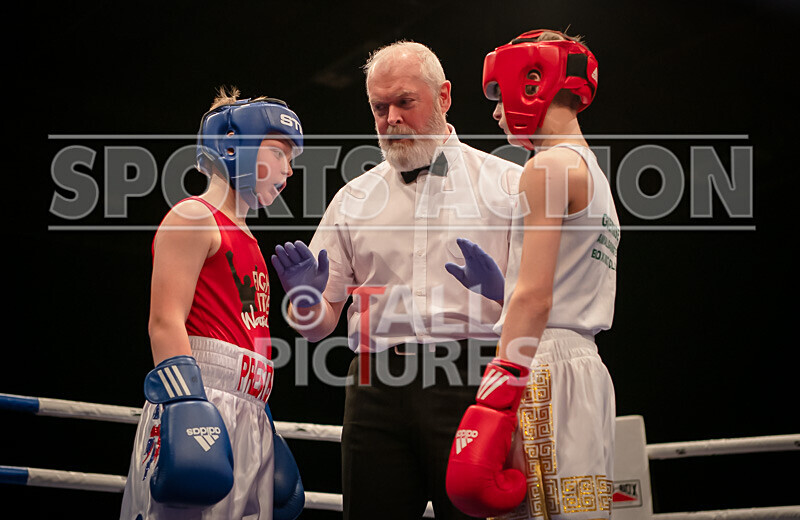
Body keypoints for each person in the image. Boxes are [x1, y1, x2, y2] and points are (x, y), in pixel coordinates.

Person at [270, 41, 523, 519]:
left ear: (444, 97)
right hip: (374, 387)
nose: (391, 119)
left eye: (404, 102)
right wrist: (304, 301)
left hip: (473, 376)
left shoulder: (508, 185)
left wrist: (502, 292)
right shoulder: (353, 198)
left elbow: (540, 303)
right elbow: (318, 324)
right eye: (378, 107)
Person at [445, 30, 620, 520]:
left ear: (534, 83)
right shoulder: (594, 174)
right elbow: (563, 286)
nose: (496, 112)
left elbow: (538, 299)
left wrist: (497, 395)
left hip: (541, 365)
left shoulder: (546, 167)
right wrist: (505, 292)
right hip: (586, 368)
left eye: (499, 96)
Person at [120, 87, 305, 520]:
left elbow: (246, 331)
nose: (289, 170)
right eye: (279, 153)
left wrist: (259, 416)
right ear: (233, 145)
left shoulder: (252, 242)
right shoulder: (193, 216)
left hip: (249, 408)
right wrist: (186, 406)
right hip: (198, 397)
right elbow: (165, 321)